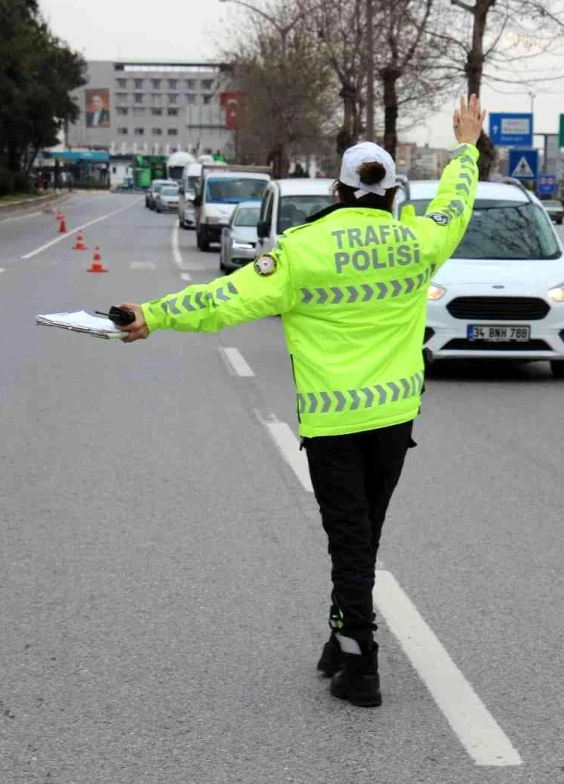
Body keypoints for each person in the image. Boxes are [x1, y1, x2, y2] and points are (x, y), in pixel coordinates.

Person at [112, 95, 487, 708]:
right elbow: (455, 205)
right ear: (392, 195)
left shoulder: (300, 252)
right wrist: (466, 146)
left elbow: (222, 300)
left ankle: (362, 667)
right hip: (394, 421)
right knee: (363, 535)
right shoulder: (419, 242)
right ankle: (340, 641)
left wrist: (151, 315)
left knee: (349, 539)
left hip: (335, 424)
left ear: (336, 193)